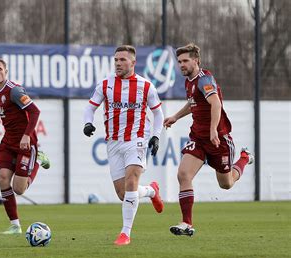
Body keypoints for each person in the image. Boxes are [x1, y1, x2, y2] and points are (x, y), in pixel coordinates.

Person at [164, 43, 254, 236]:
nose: (181, 65)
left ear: (196, 60)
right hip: (198, 137)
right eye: (179, 61)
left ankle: (245, 158)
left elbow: (216, 103)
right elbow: (193, 102)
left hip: (218, 140)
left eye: (185, 61)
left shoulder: (205, 79)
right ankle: (186, 223)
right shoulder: (190, 81)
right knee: (183, 174)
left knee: (226, 184)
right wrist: (175, 117)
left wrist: (213, 129)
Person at [83, 45, 165, 246]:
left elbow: (158, 113)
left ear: (133, 62)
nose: (118, 63)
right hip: (113, 143)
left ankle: (125, 234)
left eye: (123, 60)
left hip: (136, 140)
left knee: (131, 182)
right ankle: (151, 191)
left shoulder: (146, 86)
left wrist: (155, 136)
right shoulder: (105, 85)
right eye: (116, 60)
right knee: (123, 194)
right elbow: (90, 107)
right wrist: (88, 122)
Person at [0, 58, 50, 234]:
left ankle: (38, 159)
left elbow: (34, 111)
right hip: (8, 143)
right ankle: (15, 225)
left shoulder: (14, 91)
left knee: (19, 189)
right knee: (2, 178)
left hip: (25, 143)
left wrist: (26, 136)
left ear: (6, 71)